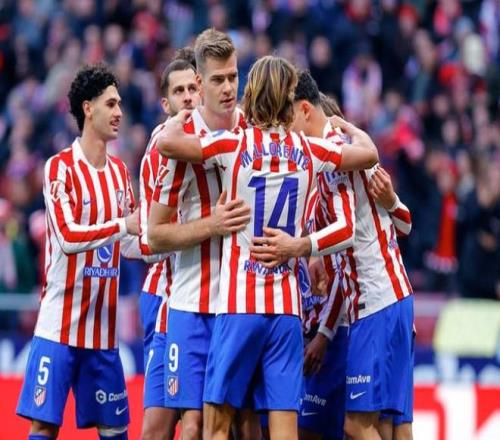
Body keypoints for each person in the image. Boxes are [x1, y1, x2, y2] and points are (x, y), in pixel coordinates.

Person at [155, 55, 378, 440]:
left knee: (217, 426)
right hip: (286, 309)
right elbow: (369, 154)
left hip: (240, 303)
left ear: (253, 93)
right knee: (283, 429)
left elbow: (168, 144)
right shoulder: (311, 150)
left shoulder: (233, 143)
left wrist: (184, 112)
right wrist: (348, 127)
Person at [252, 71, 414, 440]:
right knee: (392, 427)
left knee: (357, 425)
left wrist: (299, 245)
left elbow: (345, 231)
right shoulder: (349, 144)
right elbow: (401, 224)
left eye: (287, 117)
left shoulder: (335, 155)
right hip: (392, 296)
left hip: (375, 301)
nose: (285, 129)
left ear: (304, 110)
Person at [16, 64, 142, 440]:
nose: (119, 112)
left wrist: (175, 240)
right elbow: (69, 237)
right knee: (44, 426)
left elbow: (131, 243)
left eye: (120, 104)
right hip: (59, 328)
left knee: (115, 428)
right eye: (111, 104)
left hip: (102, 334)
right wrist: (124, 226)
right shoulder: (60, 169)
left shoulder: (120, 172)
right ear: (88, 108)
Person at [147, 29, 253, 440]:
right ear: (199, 80)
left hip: (242, 303)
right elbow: (155, 235)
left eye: (233, 77)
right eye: (217, 79)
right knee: (192, 426)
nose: (227, 88)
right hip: (191, 303)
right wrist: (213, 225)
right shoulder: (176, 142)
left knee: (245, 425)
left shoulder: (252, 128)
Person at [138, 50, 201, 440]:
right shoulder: (159, 149)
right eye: (179, 91)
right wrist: (205, 228)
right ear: (165, 103)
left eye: (193, 88)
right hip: (166, 295)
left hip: (210, 296)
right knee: (157, 428)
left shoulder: (221, 140)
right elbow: (149, 241)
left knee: (203, 424)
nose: (188, 97)